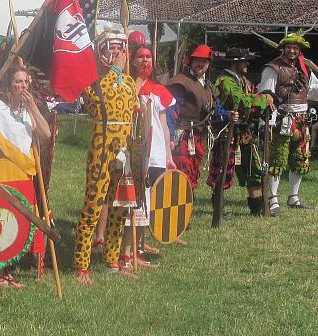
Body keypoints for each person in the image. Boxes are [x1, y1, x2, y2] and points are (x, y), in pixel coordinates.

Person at [72, 30, 140, 285]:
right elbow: (104, 90)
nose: (120, 54)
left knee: (119, 207)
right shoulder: (93, 85)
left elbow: (133, 109)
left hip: (124, 151)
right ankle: (81, 263)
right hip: (102, 150)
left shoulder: (130, 84)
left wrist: (122, 73)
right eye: (114, 49)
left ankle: (112, 258)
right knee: (93, 205)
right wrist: (117, 70)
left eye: (122, 48)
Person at [0, 60, 50, 294]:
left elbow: (46, 134)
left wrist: (33, 108)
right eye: (18, 82)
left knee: (19, 224)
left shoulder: (28, 112)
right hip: (4, 171)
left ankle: (7, 272)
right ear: (9, 86)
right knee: (4, 222)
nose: (23, 86)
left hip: (23, 172)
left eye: (26, 81)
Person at [257, 33, 318, 215]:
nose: (292, 50)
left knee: (300, 160)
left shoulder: (304, 68)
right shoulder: (273, 68)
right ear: (283, 48)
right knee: (277, 159)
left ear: (300, 50)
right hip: (281, 119)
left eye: (296, 47)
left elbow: (313, 91)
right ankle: (273, 198)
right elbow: (265, 94)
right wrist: (268, 120)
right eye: (289, 47)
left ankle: (293, 197)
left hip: (302, 120)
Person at [122, 43, 176, 267]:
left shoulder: (159, 90)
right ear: (133, 62)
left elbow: (163, 127)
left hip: (157, 155)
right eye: (141, 57)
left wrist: (169, 156)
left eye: (149, 57)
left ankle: (140, 247)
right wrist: (137, 83)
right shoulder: (128, 87)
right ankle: (127, 252)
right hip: (138, 153)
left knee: (148, 203)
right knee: (135, 202)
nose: (146, 61)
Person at [211, 47, 269, 216]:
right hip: (227, 131)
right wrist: (264, 99)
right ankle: (218, 212)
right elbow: (241, 102)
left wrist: (263, 102)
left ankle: (256, 209)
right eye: (244, 61)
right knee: (223, 170)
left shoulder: (243, 80)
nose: (247, 64)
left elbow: (250, 103)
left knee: (253, 167)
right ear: (235, 63)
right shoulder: (224, 80)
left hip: (244, 130)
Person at [167, 44, 229, 191]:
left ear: (208, 64)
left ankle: (188, 204)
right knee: (181, 170)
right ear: (190, 61)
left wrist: (229, 115)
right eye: (197, 60)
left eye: (204, 61)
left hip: (199, 137)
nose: (200, 64)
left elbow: (217, 110)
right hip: (182, 136)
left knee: (194, 171)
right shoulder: (180, 82)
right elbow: (170, 111)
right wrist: (169, 136)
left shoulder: (209, 86)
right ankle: (178, 206)